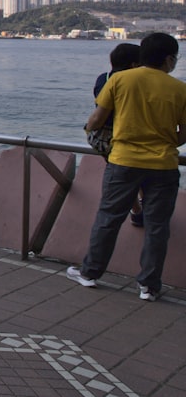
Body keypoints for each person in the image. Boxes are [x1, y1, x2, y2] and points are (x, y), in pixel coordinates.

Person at [69, 32, 186, 302]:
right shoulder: (179, 89)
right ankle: (149, 286)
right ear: (168, 59)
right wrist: (167, 142)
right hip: (163, 164)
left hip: (123, 161)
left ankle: (90, 273)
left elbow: (98, 118)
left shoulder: (120, 80)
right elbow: (183, 133)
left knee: (109, 218)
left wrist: (90, 129)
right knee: (157, 226)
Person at [92, 43, 143, 226]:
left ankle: (136, 211)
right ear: (133, 65)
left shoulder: (103, 79)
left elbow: (99, 111)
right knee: (137, 175)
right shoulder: (133, 84)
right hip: (127, 137)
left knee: (122, 178)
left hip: (103, 138)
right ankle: (140, 210)